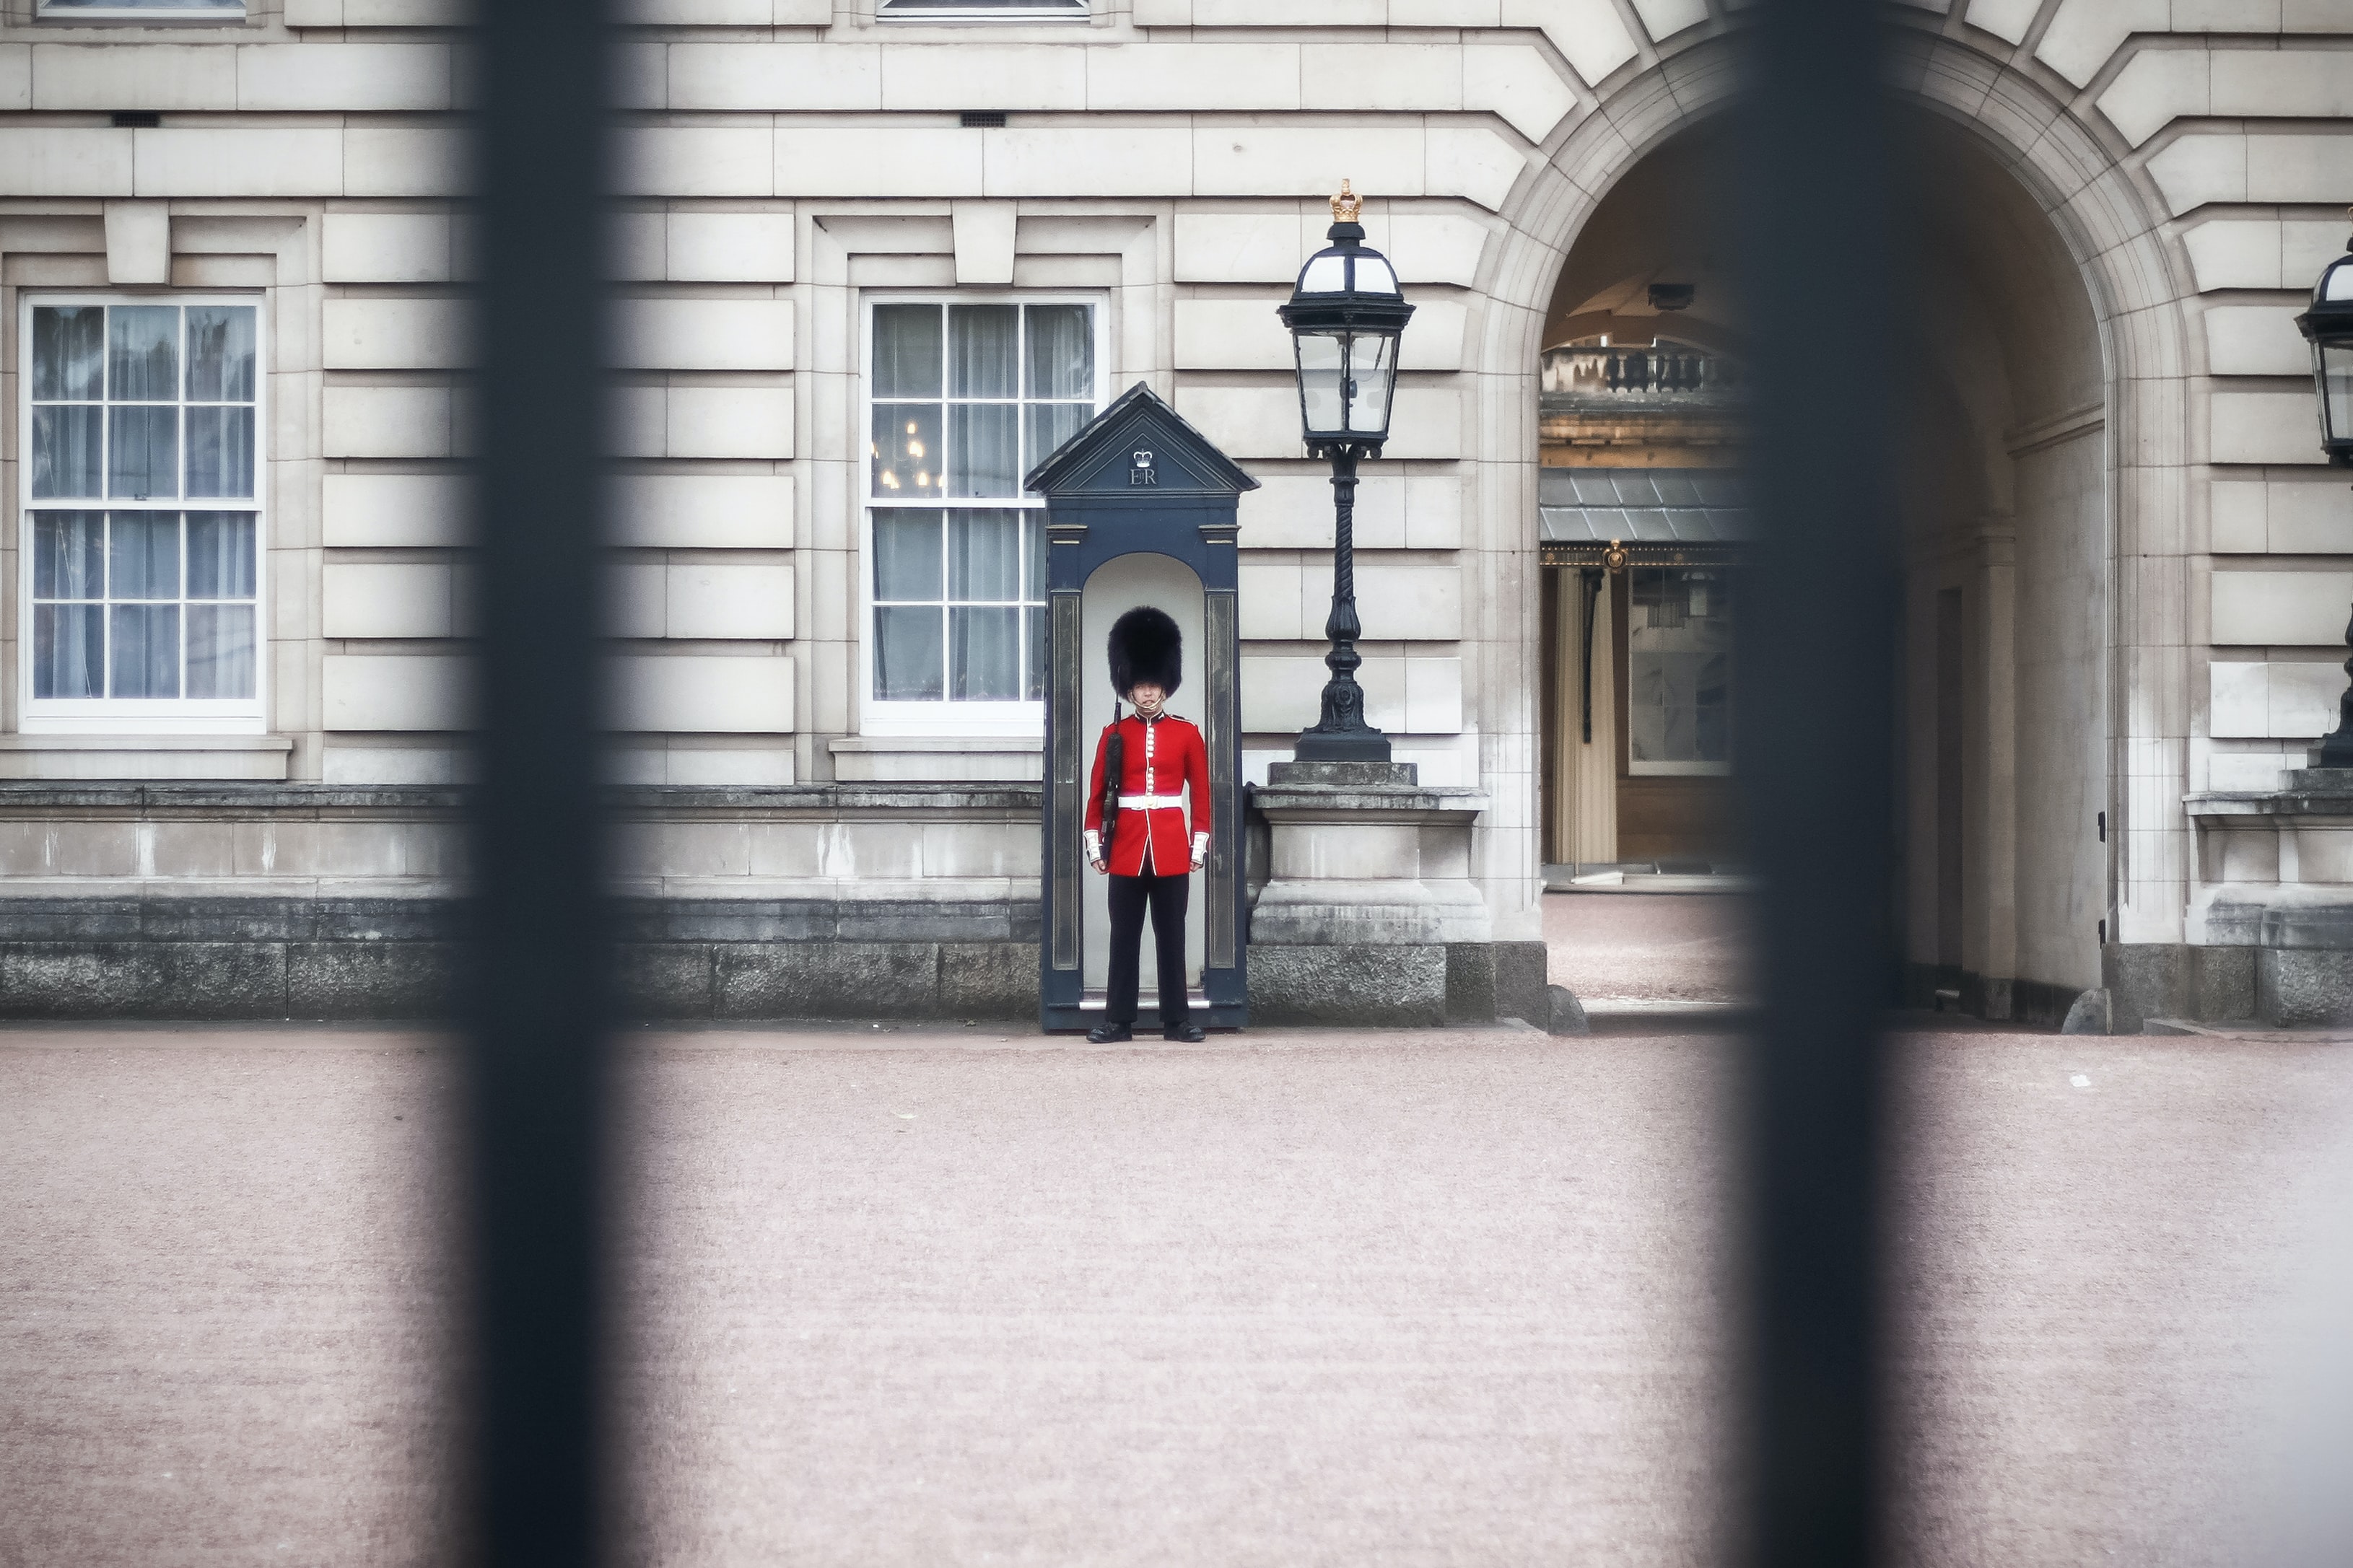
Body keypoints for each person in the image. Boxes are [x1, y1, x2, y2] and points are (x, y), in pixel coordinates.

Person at [1083, 606, 1210, 1043]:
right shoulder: (1112, 733)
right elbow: (1098, 794)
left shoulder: (1188, 733)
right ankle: (1119, 1021)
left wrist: (1199, 846)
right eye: (1140, 685)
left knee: (1172, 937)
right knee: (1125, 937)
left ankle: (1177, 1020)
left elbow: (1202, 796)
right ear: (1129, 686)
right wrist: (1096, 846)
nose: (1148, 692)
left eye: (1154, 684)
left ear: (1166, 685)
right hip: (1127, 846)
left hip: (1173, 846)